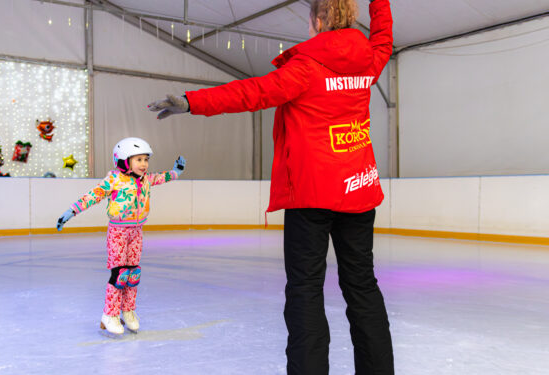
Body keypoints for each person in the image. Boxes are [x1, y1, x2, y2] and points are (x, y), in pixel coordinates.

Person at [148, 0, 393, 373]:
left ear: (319, 18)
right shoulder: (369, 60)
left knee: (305, 291)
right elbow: (384, 38)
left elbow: (251, 93)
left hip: (311, 196)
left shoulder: (306, 68)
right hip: (358, 190)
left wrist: (191, 102)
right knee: (361, 285)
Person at [56, 137, 186, 335]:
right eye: (139, 159)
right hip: (118, 232)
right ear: (124, 160)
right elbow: (93, 195)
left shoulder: (145, 179)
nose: (144, 164)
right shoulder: (114, 179)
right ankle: (109, 315)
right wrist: (70, 212)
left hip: (136, 231)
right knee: (119, 274)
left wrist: (176, 172)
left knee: (133, 274)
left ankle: (128, 310)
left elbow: (162, 177)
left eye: (145, 159)